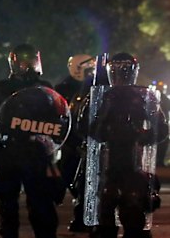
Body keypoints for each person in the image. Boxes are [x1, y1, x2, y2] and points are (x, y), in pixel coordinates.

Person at [0, 43, 60, 238]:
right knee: (8, 205)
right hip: (9, 152)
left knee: (40, 203)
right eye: (26, 62)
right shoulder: (0, 88)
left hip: (36, 152)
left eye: (31, 61)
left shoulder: (44, 87)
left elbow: (58, 117)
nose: (29, 66)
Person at [86, 53, 169, 238]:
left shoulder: (144, 96)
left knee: (133, 208)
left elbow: (161, 128)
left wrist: (141, 136)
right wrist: (106, 133)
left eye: (124, 71)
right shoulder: (102, 97)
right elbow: (86, 127)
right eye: (115, 71)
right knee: (106, 207)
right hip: (107, 162)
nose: (119, 76)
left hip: (135, 162)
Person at [54, 54, 95, 233]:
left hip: (91, 137)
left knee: (89, 180)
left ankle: (84, 216)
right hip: (71, 140)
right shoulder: (63, 87)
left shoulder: (97, 84)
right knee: (69, 175)